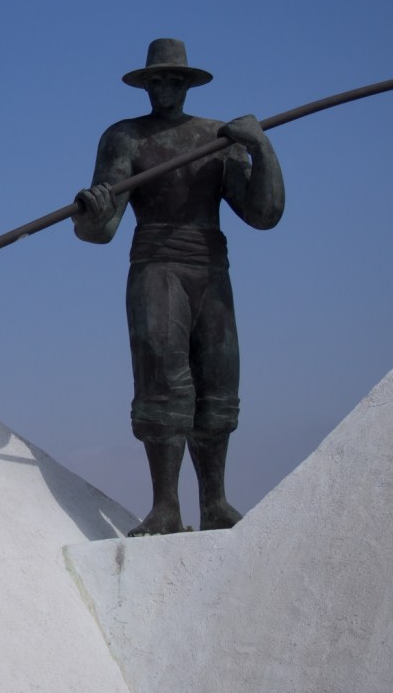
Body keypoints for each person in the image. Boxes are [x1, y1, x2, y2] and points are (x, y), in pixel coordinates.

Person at [73, 39, 285, 536]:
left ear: (187, 85)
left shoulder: (220, 137)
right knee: (163, 381)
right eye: (155, 81)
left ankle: (214, 502)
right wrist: (93, 210)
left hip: (209, 265)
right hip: (155, 264)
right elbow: (101, 233)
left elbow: (264, 214)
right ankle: (165, 507)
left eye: (173, 80)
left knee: (218, 383)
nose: (163, 89)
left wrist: (261, 146)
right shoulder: (124, 138)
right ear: (145, 85)